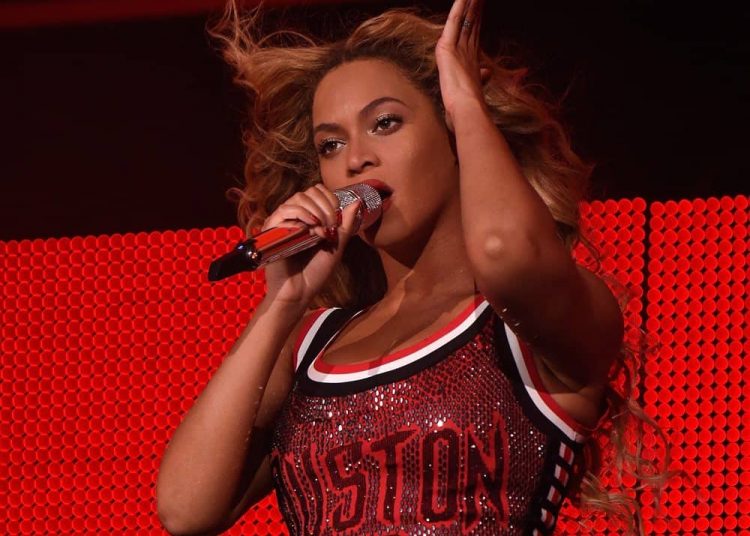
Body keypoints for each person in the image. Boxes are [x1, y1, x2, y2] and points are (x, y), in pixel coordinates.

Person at [157, 1, 669, 534]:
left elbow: (500, 249)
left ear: (454, 133)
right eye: (331, 144)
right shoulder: (311, 346)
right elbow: (185, 510)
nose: (355, 159)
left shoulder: (531, 320)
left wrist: (465, 100)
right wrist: (282, 302)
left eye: (385, 123)